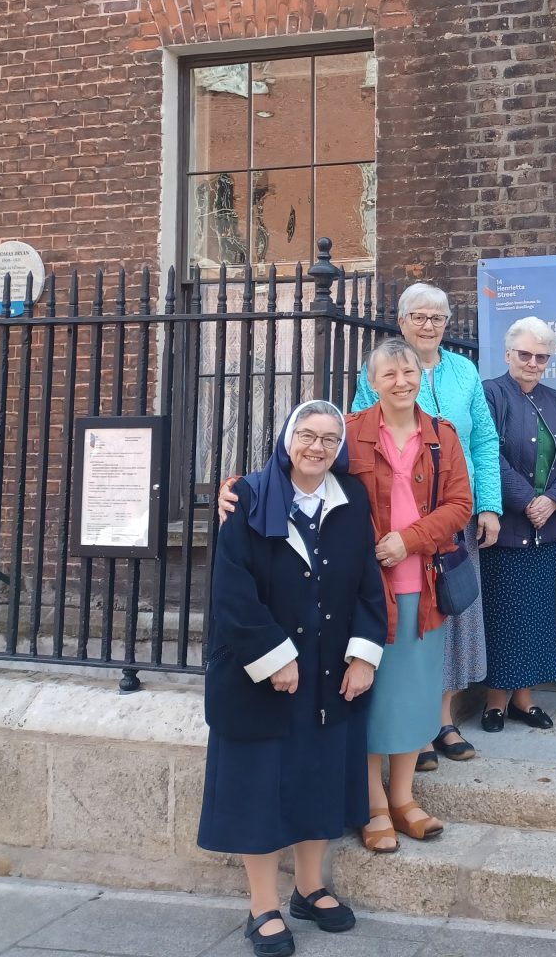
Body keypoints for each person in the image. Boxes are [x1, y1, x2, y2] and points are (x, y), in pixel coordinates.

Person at [198, 401, 386, 957]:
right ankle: (263, 906)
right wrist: (275, 657)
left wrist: (364, 656)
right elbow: (231, 592)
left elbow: (366, 586)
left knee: (319, 782)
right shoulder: (251, 497)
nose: (318, 447)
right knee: (259, 791)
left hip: (330, 674)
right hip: (261, 678)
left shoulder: (350, 501)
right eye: (307, 435)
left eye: (330, 439)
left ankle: (309, 887)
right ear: (287, 439)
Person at [351, 282, 501, 769]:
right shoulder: (374, 373)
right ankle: (410, 728)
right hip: (392, 525)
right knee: (406, 625)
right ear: (401, 322)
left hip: (451, 517)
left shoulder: (465, 372)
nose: (429, 325)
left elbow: (484, 442)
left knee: (451, 617)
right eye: (419, 316)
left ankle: (443, 719)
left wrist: (489, 506)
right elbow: (354, 433)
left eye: (437, 317)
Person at [346, 337, 474, 847]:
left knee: (414, 699)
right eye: (389, 375)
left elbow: (460, 504)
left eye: (409, 373)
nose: (401, 382)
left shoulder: (441, 435)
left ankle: (403, 798)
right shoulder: (350, 433)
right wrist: (236, 488)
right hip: (363, 591)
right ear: (371, 383)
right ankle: (373, 803)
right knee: (371, 696)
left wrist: (410, 540)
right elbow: (297, 472)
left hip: (422, 587)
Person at [479, 316, 556, 731]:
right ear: (508, 354)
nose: (533, 362)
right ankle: (494, 702)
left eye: (542, 356)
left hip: (546, 527)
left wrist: (555, 500)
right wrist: (528, 501)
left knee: (537, 616)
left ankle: (524, 698)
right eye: (525, 354)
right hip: (506, 527)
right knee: (503, 615)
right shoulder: (491, 394)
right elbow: (487, 455)